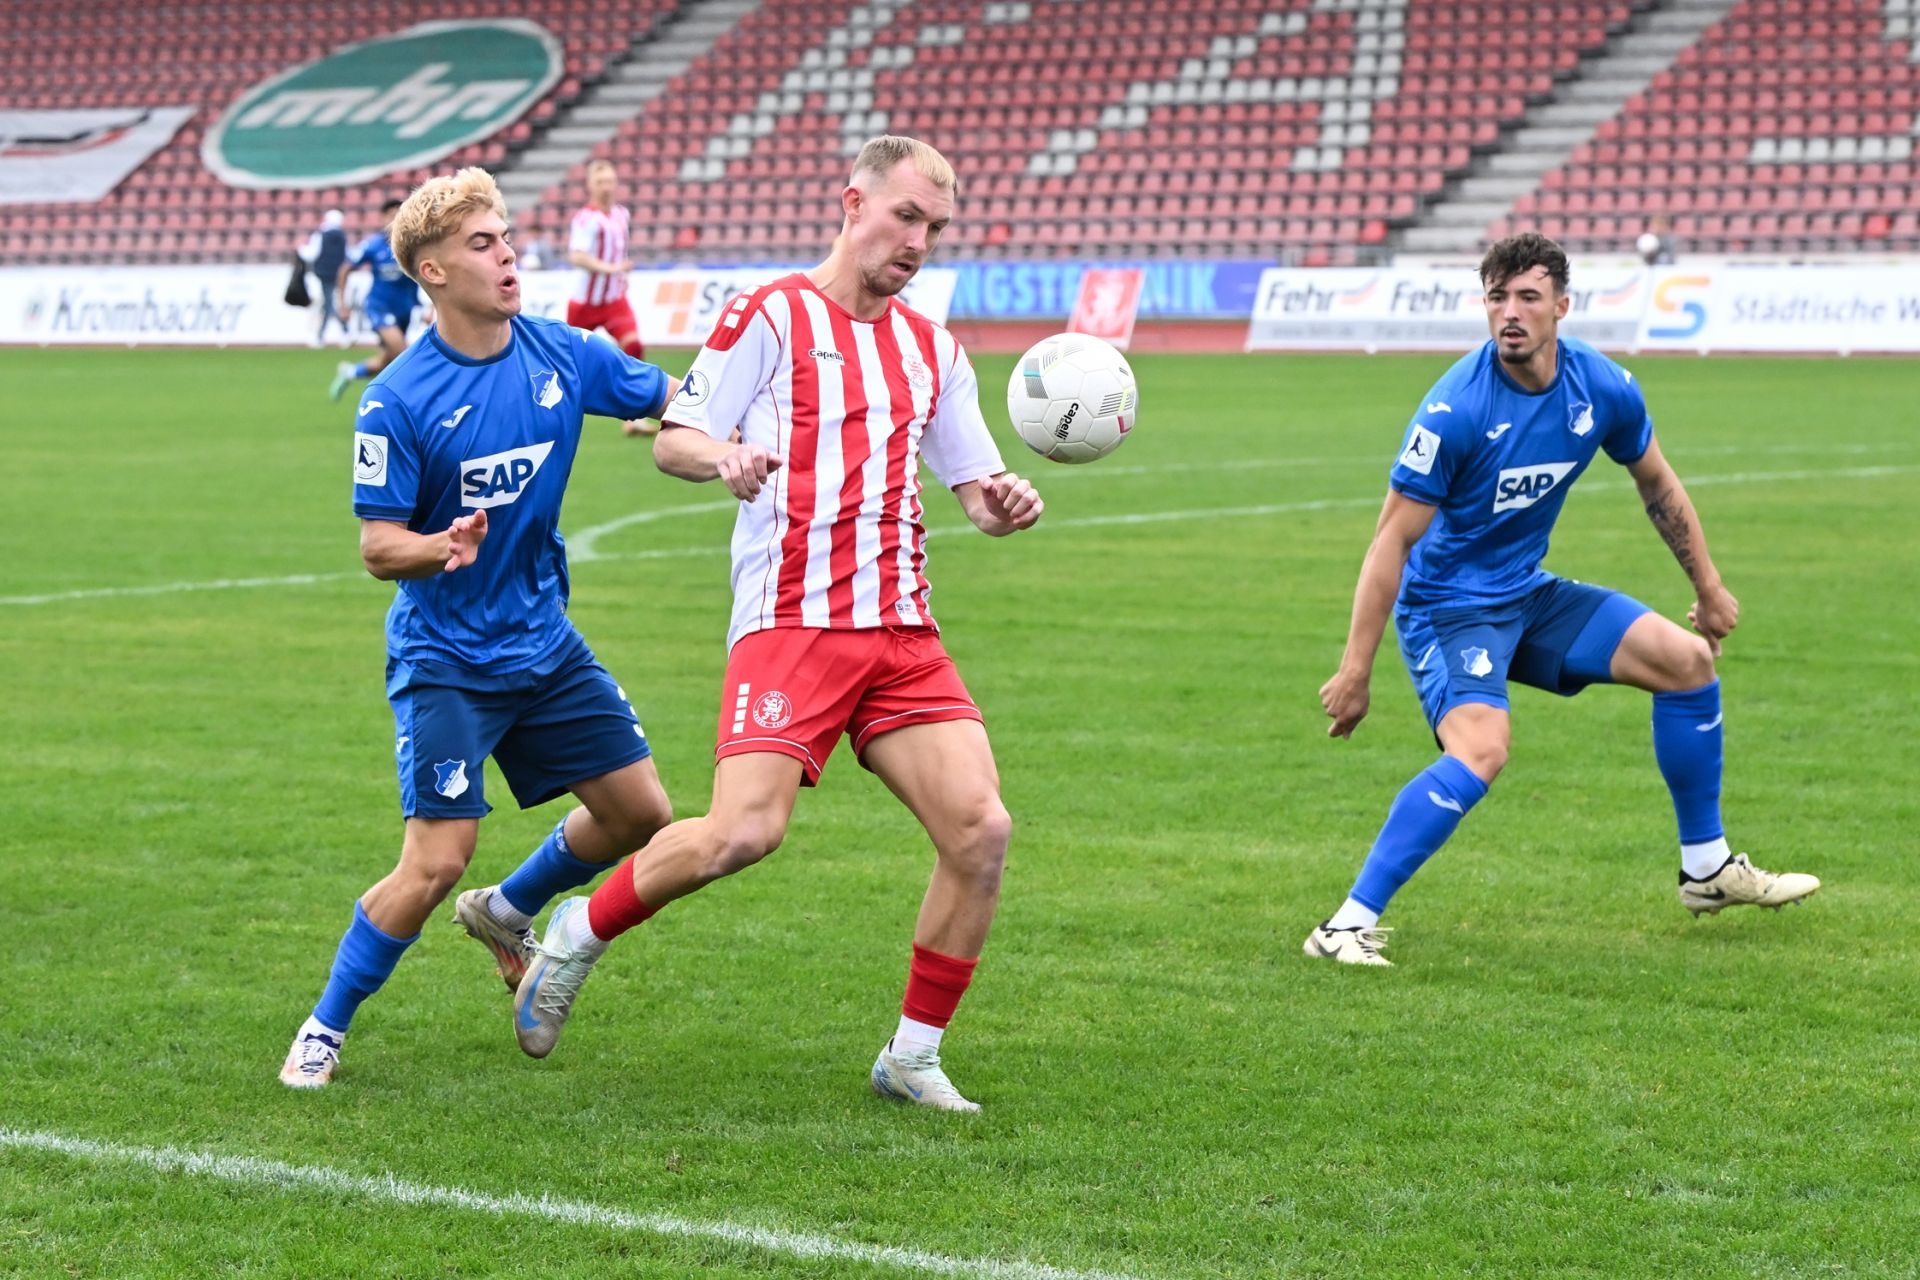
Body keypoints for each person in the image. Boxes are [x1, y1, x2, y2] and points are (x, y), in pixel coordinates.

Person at [507, 136, 1044, 1113]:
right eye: (906, 217)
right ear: (853, 203)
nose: (919, 242)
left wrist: (1005, 503)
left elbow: (975, 488)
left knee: (981, 830)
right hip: (792, 617)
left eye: (935, 228)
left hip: (900, 628)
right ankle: (580, 928)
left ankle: (912, 1056)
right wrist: (723, 458)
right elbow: (676, 437)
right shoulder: (772, 314)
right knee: (742, 832)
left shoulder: (933, 348)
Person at [1306, 231, 1819, 967]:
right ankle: (1344, 927)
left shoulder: (1601, 386)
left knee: (1686, 662)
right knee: (1482, 749)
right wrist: (1356, 670)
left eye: (1528, 297)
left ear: (1562, 307)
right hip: (1450, 608)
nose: (1510, 312)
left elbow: (1656, 481)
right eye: (1497, 298)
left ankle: (1705, 869)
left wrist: (1708, 588)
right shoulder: (1454, 410)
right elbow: (1390, 543)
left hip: (1526, 593)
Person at [280, 167, 682, 1087]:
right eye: (482, 244)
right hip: (448, 658)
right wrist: (441, 546)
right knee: (434, 862)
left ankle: (507, 908)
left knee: (640, 813)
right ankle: (325, 1026)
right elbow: (378, 547)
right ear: (432, 272)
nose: (508, 256)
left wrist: (739, 431)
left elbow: (675, 397)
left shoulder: (562, 353)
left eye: (505, 237)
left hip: (544, 641)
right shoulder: (396, 399)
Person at [329, 199, 423, 401]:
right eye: (391, 215)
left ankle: (352, 372)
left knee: (389, 360)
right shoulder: (373, 245)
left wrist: (431, 306)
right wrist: (342, 304)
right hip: (379, 307)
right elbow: (345, 269)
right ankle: (407, 401)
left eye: (399, 214)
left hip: (405, 309)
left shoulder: (415, 246)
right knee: (402, 353)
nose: (395, 219)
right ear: (383, 218)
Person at [299, 209, 350, 347]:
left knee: (328, 305)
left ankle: (330, 334)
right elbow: (347, 255)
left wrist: (300, 249)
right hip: (339, 274)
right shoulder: (342, 236)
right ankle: (343, 333)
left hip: (324, 274)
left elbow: (312, 254)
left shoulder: (320, 235)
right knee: (332, 303)